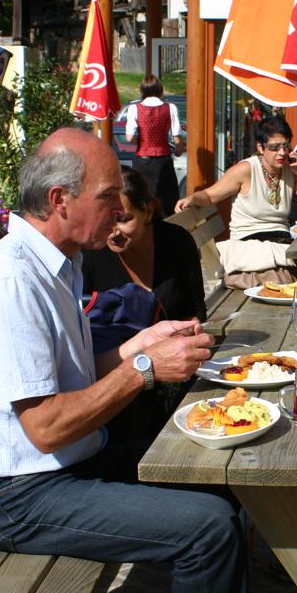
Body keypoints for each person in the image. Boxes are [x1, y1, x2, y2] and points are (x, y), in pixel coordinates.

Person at [0, 128, 249, 593]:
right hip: (17, 494)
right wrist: (144, 370)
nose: (117, 208)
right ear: (59, 200)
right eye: (107, 197)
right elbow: (45, 427)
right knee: (208, 529)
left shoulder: (57, 263)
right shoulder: (11, 280)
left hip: (63, 467)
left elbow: (71, 377)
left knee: (217, 481)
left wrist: (138, 345)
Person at [82, 169, 206, 439]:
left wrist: (187, 330)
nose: (112, 232)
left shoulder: (176, 242)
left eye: (124, 220)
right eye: (107, 220)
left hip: (177, 374)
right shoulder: (91, 254)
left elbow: (196, 313)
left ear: (147, 212)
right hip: (116, 387)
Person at [175, 116, 297, 285]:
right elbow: (210, 196)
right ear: (260, 148)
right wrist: (192, 198)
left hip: (280, 242)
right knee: (289, 277)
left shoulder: (290, 169)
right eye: (274, 147)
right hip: (249, 245)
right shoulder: (246, 169)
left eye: (286, 146)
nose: (282, 153)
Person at [125, 75, 182, 216]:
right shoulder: (170, 108)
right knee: (168, 200)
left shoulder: (134, 108)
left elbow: (130, 137)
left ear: (142, 91)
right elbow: (177, 138)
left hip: (142, 160)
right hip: (163, 160)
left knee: (142, 199)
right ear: (160, 90)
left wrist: (141, 142)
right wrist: (179, 151)